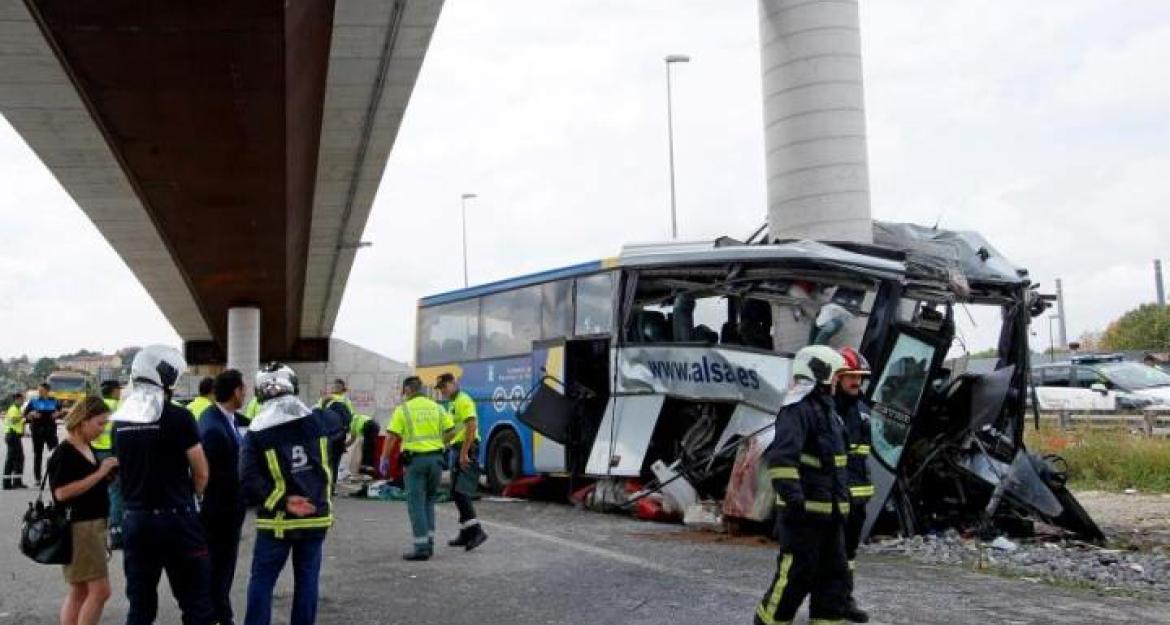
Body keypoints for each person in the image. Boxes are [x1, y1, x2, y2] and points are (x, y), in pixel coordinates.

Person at [111, 345, 216, 625]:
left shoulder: (119, 421)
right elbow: (201, 471)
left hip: (136, 520)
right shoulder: (179, 417)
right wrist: (191, 496)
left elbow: (123, 469)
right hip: (176, 518)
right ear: (163, 377)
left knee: (140, 606)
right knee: (196, 603)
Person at [754, 345, 851, 625]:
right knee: (796, 577)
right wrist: (795, 502)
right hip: (804, 517)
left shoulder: (832, 415)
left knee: (834, 578)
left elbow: (838, 467)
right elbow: (782, 459)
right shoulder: (796, 410)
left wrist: (846, 507)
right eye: (835, 376)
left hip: (830, 518)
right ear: (820, 373)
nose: (837, 382)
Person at [241, 362, 336, 625]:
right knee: (307, 582)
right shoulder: (318, 421)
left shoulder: (257, 431)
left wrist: (282, 501)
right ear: (292, 385)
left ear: (260, 393)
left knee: (262, 581)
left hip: (277, 521)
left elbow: (247, 479)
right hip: (315, 516)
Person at [48, 395, 118, 625]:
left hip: (91, 524)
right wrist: (99, 473)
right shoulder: (65, 452)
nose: (103, 429)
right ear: (83, 421)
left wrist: (105, 477)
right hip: (81, 527)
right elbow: (61, 493)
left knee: (79, 590)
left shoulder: (85, 446)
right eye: (100, 423)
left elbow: (87, 484)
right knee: (100, 591)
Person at [381, 376, 455, 561]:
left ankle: (421, 548)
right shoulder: (437, 407)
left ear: (407, 390)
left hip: (415, 463)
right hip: (436, 460)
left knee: (416, 504)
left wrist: (384, 458)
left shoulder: (403, 409)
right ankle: (429, 542)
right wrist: (439, 444)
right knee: (429, 501)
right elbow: (452, 431)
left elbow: (391, 437)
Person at [199, 369, 248, 625]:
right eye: (244, 389)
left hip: (228, 508)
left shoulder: (227, 419)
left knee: (223, 566)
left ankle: (220, 611)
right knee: (219, 564)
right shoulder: (214, 428)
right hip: (220, 510)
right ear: (236, 391)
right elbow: (214, 475)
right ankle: (218, 614)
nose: (246, 393)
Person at [835, 347, 874, 624]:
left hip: (857, 499)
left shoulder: (862, 410)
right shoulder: (825, 408)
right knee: (827, 553)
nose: (856, 381)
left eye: (859, 376)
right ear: (836, 377)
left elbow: (862, 455)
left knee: (848, 555)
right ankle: (825, 602)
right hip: (834, 497)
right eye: (851, 376)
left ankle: (844, 599)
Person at [436, 372, 487, 550]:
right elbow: (455, 430)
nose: (442, 391)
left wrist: (464, 453)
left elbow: (471, 426)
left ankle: (477, 531)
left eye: (444, 387)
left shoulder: (463, 400)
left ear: (453, 383)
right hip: (459, 448)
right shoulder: (453, 403)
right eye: (440, 388)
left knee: (461, 491)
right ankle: (466, 532)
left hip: (468, 448)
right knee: (455, 491)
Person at [93, 379, 124, 548]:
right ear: (113, 391)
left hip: (94, 452)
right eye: (119, 389)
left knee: (99, 491)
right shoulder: (119, 408)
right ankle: (116, 533)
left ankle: (99, 531)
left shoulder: (95, 406)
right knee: (116, 492)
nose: (120, 392)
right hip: (111, 453)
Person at [25, 382, 63, 483]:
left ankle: (55, 476)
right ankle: (38, 478)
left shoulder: (55, 401)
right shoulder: (33, 401)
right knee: (38, 454)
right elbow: (25, 415)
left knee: (55, 453)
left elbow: (60, 412)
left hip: (50, 431)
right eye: (39, 390)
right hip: (37, 431)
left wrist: (57, 414)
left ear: (47, 391)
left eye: (41, 391)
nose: (39, 392)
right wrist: (31, 414)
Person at [345, 412, 381, 476]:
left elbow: (352, 440)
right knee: (370, 447)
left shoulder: (351, 423)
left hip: (369, 426)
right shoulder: (357, 417)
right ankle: (368, 468)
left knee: (366, 449)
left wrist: (344, 446)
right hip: (376, 425)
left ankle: (366, 469)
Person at [4, 392, 27, 489]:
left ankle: (16, 481)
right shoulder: (13, 409)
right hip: (12, 436)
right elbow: (14, 420)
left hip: (14, 436)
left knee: (18, 459)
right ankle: (8, 483)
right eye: (22, 399)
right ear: (16, 399)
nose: (23, 401)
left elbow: (18, 422)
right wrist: (24, 417)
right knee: (13, 459)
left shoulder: (17, 409)